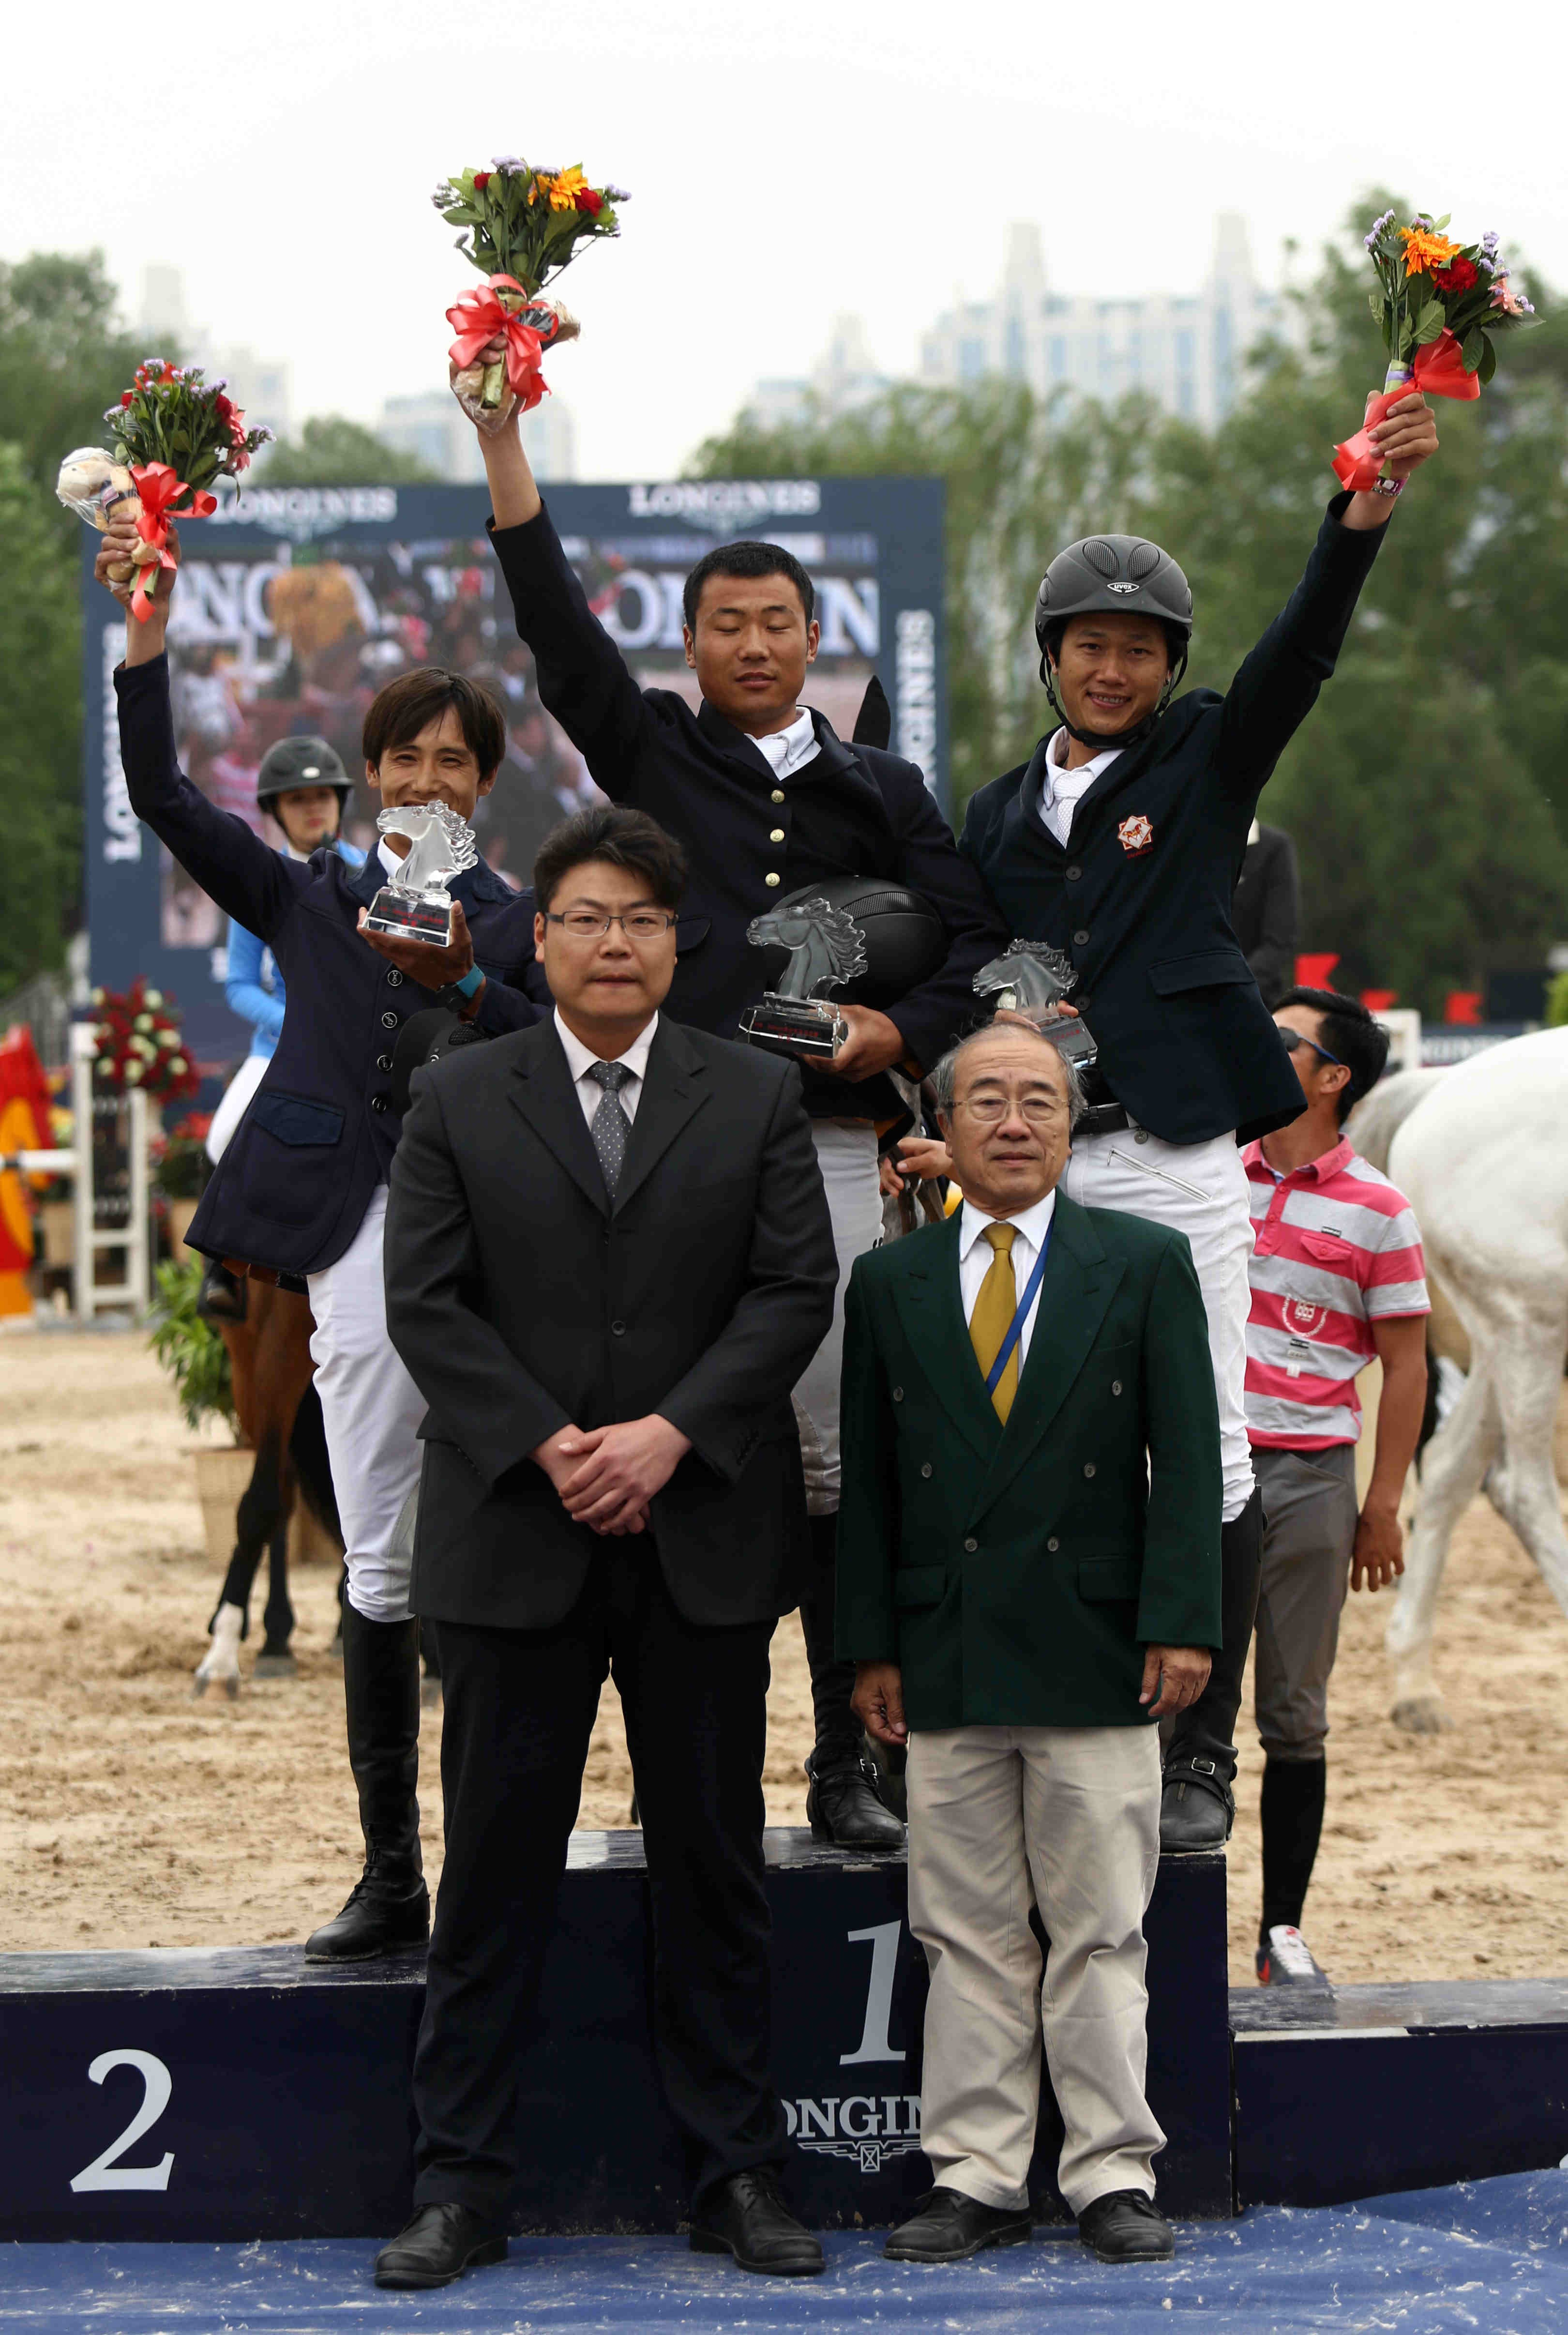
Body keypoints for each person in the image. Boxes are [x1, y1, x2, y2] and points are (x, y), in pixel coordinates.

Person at [460, 377, 1007, 1847]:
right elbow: (556, 631)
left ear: (813, 641)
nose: (755, 647)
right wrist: (504, 441)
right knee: (643, 1434)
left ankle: (847, 1761)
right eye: (727, 626)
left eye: (780, 625)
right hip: (650, 1157)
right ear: (692, 643)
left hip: (825, 1154)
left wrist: (901, 1029)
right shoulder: (651, 751)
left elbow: (967, 945)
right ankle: (631, 1757)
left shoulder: (884, 786)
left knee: (832, 1462)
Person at [910, 386, 1441, 1851]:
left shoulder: (1205, 759)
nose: (1113, 667)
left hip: (1183, 1150)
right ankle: (1044, 1683)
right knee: (1027, 1432)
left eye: (1139, 650)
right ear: (1051, 659)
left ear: (1169, 669)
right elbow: (966, 977)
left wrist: (1362, 509)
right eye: (1091, 645)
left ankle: (1202, 1750)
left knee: (1201, 1442)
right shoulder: (996, 811)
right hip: (1030, 1168)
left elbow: (1305, 653)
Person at [373, 805, 838, 2291]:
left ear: (677, 937)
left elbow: (790, 1290)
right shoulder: (461, 1093)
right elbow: (429, 1304)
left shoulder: (752, 1095)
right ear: (542, 936)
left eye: (641, 916)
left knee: (715, 1867)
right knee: (493, 1868)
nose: (616, 941)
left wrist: (667, 1437)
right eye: (586, 916)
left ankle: (738, 2173)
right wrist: (550, 1443)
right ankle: (459, 2183)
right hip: (515, 1530)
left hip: (699, 1528)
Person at [94, 512, 548, 1966]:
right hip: (346, 1236)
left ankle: (493, 1861)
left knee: (499, 1554)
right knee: (377, 1566)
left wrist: (472, 981)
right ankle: (388, 1869)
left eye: (452, 762)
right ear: (370, 778)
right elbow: (163, 793)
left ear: (485, 784)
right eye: (404, 758)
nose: (426, 778)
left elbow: (551, 1052)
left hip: (492, 1244)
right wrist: (147, 628)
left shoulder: (526, 923)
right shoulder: (307, 891)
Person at [837, 1021, 1221, 2266]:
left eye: (1039, 1102)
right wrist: (870, 1647)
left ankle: (1112, 2170)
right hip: (943, 1649)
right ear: (939, 1129)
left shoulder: (1144, 1259)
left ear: (1070, 1124)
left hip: (1098, 1643)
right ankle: (976, 2174)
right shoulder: (889, 1282)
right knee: (964, 1930)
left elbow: (1186, 1462)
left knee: (1101, 1925)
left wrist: (1179, 1618)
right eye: (986, 1100)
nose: (1012, 1122)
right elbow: (874, 1484)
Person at [1244, 988, 1430, 1987]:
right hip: (1199, 1469)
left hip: (1311, 1475)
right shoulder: (1200, 1176)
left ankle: (1281, 1931)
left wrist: (1382, 1506)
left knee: (1295, 1714)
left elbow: (1408, 1365)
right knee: (1168, 1702)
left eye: (1279, 1040)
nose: (1255, 1046)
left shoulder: (1381, 1209)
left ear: (1332, 1078)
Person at [199, 736, 366, 1322]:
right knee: (221, 1138)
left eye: (322, 796)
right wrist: (293, 1022)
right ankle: (220, 1272)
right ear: (274, 811)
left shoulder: (369, 875)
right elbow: (241, 984)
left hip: (358, 1051)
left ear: (340, 802)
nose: (313, 809)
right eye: (298, 800)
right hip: (277, 1051)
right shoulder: (258, 882)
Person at [1231, 819, 1300, 1008]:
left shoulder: (1275, 848)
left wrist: (1231, 986)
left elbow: (1280, 940)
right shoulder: (1193, 844)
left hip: (1256, 1003)